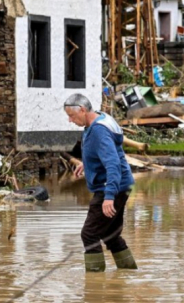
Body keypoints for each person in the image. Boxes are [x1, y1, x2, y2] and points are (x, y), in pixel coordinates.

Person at [64, 93, 137, 272]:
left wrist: (109, 196)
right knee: (110, 235)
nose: (70, 120)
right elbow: (104, 153)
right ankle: (128, 272)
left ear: (82, 110)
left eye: (71, 115)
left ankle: (94, 283)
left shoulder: (99, 130)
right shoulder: (96, 120)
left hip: (111, 187)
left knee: (89, 234)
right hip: (121, 184)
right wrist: (87, 165)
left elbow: (113, 164)